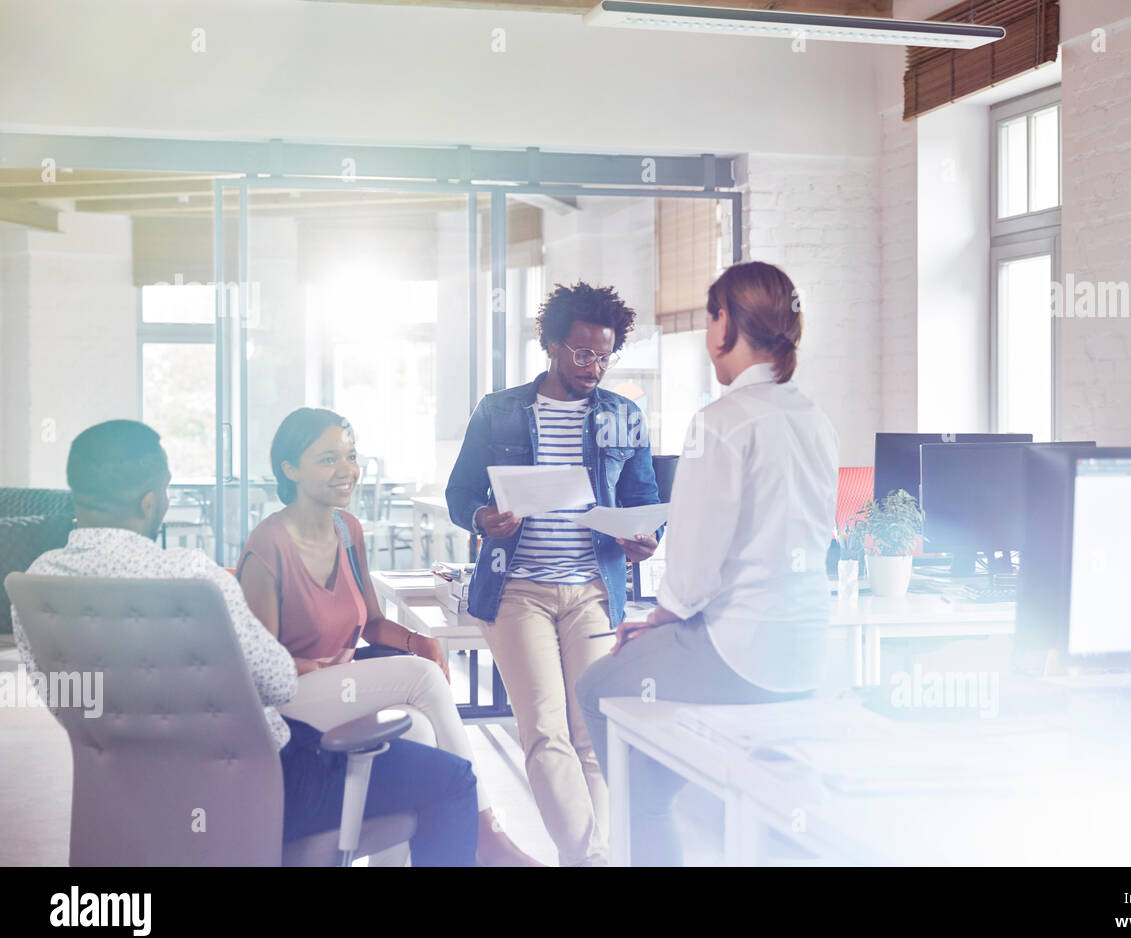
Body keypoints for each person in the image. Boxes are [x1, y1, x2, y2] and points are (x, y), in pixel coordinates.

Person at [9, 420, 478, 866]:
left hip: (128, 799)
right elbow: (276, 684)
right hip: (263, 788)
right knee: (452, 780)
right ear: (151, 501)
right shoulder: (194, 578)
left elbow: (65, 698)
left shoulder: (36, 584)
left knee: (413, 736)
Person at [575, 261, 839, 866]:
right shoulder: (814, 419)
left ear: (728, 325)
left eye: (709, 316)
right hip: (806, 647)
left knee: (596, 690)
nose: (705, 333)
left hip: (738, 649)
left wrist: (657, 620)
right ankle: (671, 795)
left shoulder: (719, 424)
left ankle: (652, 830)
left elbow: (693, 569)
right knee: (647, 739)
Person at [237, 407, 542, 867]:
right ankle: (486, 833)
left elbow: (373, 621)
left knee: (416, 729)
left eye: (351, 456)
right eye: (327, 460)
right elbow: (259, 671)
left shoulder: (347, 529)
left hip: (338, 690)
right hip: (288, 706)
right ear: (290, 469)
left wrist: (418, 639)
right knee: (421, 678)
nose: (346, 471)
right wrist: (322, 668)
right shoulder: (268, 545)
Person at [445, 281, 662, 866]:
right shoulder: (499, 411)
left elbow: (644, 495)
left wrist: (645, 538)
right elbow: (460, 492)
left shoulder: (624, 416)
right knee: (544, 732)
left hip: (593, 590)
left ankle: (582, 860)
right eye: (583, 353)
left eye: (605, 354)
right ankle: (593, 860)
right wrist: (483, 517)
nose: (595, 366)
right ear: (551, 345)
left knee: (590, 732)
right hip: (518, 591)